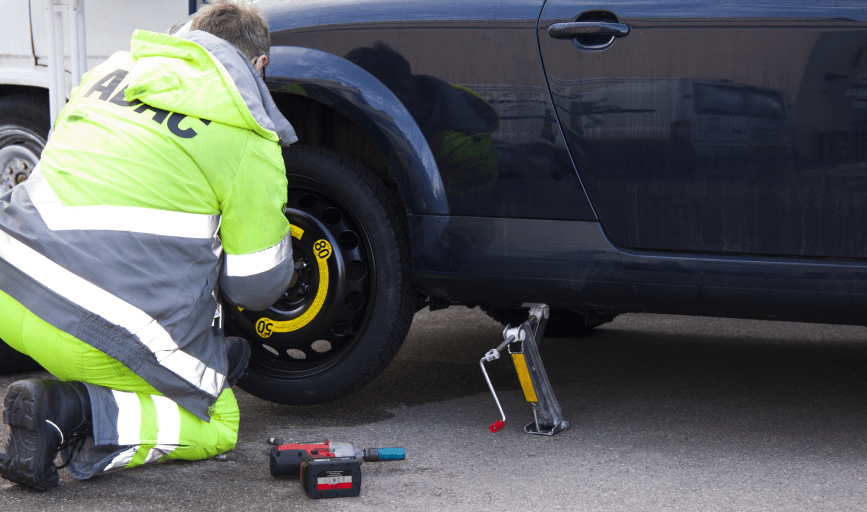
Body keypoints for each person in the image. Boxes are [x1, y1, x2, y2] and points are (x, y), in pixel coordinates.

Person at [0, 0, 296, 491]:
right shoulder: (246, 132)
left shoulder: (112, 70)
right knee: (218, 421)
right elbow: (255, 285)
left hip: (11, 288)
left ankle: (192, 359)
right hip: (89, 329)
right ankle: (68, 411)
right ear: (259, 65)